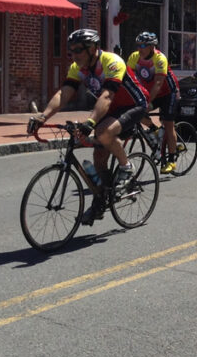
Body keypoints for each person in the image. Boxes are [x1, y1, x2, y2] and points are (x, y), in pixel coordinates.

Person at [29, 29, 149, 224]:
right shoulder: (78, 67)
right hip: (109, 110)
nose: (74, 56)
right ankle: (101, 201)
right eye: (71, 51)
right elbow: (64, 94)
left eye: (78, 50)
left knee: (103, 133)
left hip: (133, 105)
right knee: (99, 158)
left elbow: (107, 96)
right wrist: (42, 117)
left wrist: (90, 122)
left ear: (93, 48)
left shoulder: (112, 62)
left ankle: (126, 166)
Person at [126, 31, 181, 174]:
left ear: (152, 47)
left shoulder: (160, 58)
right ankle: (154, 130)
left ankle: (172, 160)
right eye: (138, 45)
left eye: (143, 45)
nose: (140, 48)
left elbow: (158, 83)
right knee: (136, 113)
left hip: (169, 93)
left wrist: (147, 103)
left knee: (169, 124)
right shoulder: (134, 57)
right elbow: (128, 79)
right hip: (151, 92)